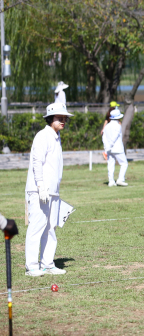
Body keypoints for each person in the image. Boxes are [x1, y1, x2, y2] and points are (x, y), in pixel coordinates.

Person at [24, 102, 73, 277]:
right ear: (51, 118)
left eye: (64, 118)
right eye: (60, 118)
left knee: (50, 228)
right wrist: (40, 187)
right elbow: (37, 163)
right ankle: (31, 266)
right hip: (39, 191)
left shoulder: (56, 136)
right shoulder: (42, 136)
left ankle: (47, 263)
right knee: (36, 227)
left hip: (52, 191)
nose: (63, 121)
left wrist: (51, 189)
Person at [102, 108, 128, 187]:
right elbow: (115, 136)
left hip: (109, 149)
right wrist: (110, 145)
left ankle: (111, 181)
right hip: (117, 148)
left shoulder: (107, 126)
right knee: (124, 164)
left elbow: (104, 137)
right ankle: (120, 179)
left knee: (110, 164)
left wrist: (106, 146)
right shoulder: (118, 126)